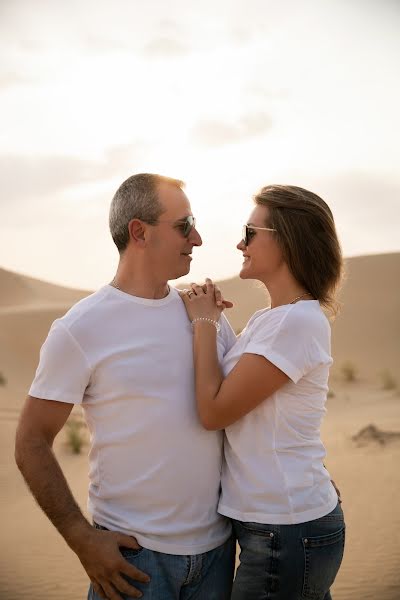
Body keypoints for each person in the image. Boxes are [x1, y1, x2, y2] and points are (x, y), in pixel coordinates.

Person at [15, 173, 237, 600]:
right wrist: (81, 539)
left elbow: (241, 409)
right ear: (139, 231)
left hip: (218, 557)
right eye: (184, 225)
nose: (199, 238)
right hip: (135, 565)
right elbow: (31, 440)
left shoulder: (206, 314)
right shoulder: (80, 329)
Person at [181, 184, 345, 600]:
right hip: (278, 525)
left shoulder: (296, 323)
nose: (240, 242)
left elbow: (215, 411)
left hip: (285, 529)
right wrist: (213, 319)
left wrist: (203, 323)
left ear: (288, 239)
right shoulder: (269, 320)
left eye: (250, 232)